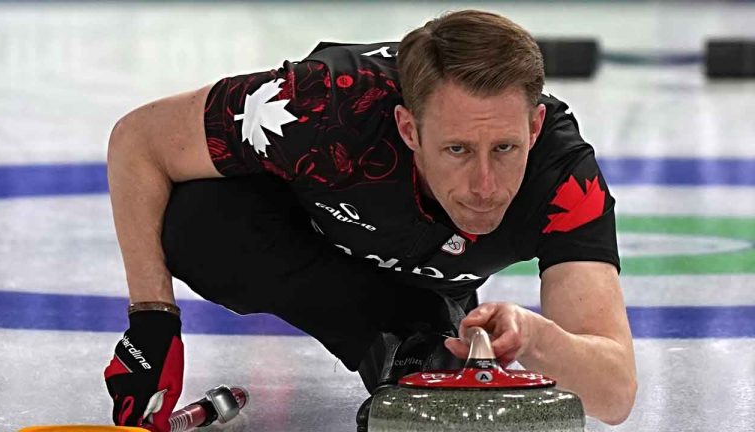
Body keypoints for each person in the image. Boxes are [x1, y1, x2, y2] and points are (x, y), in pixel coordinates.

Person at [103, 9, 637, 431]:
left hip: (429, 279)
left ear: (535, 126)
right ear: (408, 129)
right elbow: (139, 140)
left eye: (505, 148)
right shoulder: (325, 104)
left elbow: (614, 393)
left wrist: (535, 337)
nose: (485, 186)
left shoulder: (563, 176)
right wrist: (152, 320)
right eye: (456, 149)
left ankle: (416, 330)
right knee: (197, 221)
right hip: (306, 239)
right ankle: (405, 332)